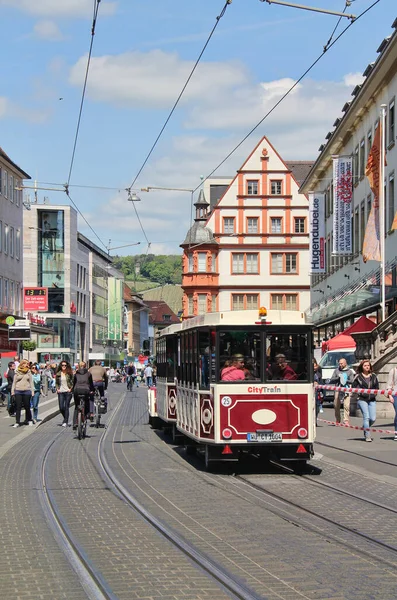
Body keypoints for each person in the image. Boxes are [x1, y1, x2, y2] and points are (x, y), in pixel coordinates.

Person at [352, 359, 379, 443]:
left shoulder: (373, 376)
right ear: (362, 367)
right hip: (362, 399)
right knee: (366, 417)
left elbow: (377, 387)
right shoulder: (358, 377)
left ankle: (365, 426)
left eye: (368, 365)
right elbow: (354, 387)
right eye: (365, 365)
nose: (367, 367)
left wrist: (374, 393)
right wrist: (359, 392)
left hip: (372, 399)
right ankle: (367, 435)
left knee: (373, 418)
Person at [329, 357, 355, 424]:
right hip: (338, 389)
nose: (340, 365)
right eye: (339, 363)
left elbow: (352, 381)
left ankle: (346, 420)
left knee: (346, 405)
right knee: (336, 405)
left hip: (346, 389)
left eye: (342, 363)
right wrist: (338, 378)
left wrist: (346, 380)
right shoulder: (336, 371)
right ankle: (338, 419)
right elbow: (331, 379)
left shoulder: (349, 371)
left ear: (345, 363)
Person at [11, 359, 34, 428]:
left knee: (27, 406)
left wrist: (32, 391)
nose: (27, 365)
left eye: (27, 364)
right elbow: (14, 382)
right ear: (22, 364)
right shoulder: (17, 371)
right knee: (18, 407)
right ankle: (17, 422)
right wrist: (12, 391)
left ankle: (29, 419)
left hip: (27, 391)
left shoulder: (29, 372)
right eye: (25, 363)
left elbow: (31, 382)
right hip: (18, 391)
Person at [72, 361, 94, 429]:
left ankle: (75, 423)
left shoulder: (76, 374)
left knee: (76, 406)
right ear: (85, 366)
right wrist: (92, 391)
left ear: (78, 366)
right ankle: (87, 414)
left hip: (77, 390)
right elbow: (91, 384)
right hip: (86, 390)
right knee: (87, 402)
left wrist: (72, 390)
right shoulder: (88, 374)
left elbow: (74, 383)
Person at [55, 361, 74, 427]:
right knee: (61, 407)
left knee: (66, 407)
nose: (64, 366)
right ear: (60, 366)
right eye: (62, 365)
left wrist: (70, 389)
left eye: (65, 365)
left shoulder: (70, 373)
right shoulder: (58, 374)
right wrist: (57, 389)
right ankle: (65, 418)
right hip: (61, 392)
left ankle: (65, 421)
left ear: (67, 366)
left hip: (68, 391)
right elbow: (56, 382)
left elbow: (73, 381)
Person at [387, 365, 397, 441]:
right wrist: (390, 396)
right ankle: (396, 432)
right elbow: (389, 385)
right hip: (395, 395)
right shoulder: (393, 371)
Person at [313, 358, 323, 425]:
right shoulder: (308, 374)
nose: (314, 367)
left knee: (317, 407)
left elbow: (321, 382)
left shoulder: (318, 374)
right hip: (311, 392)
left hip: (317, 392)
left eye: (315, 366)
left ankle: (315, 420)